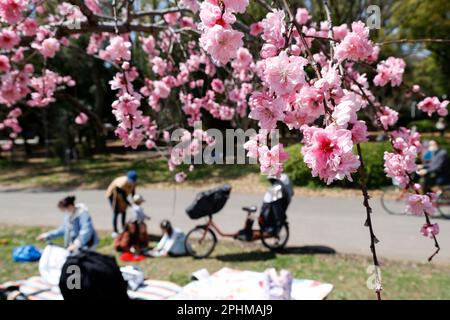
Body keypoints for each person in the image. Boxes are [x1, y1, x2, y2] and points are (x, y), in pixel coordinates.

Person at [106, 170, 137, 236]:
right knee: (116, 212)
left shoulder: (133, 183)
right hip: (113, 195)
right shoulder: (122, 183)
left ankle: (123, 228)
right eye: (131, 181)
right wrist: (130, 204)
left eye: (133, 181)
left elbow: (133, 193)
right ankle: (115, 231)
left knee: (124, 211)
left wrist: (135, 202)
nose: (132, 182)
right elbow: (123, 197)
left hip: (123, 196)